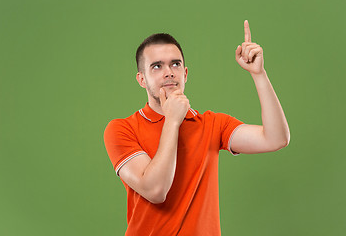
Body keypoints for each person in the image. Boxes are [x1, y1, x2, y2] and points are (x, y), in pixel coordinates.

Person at [104, 20, 290, 236]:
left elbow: (277, 138)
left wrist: (259, 74)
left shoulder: (213, 124)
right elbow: (155, 190)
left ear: (185, 74)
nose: (169, 72)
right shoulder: (121, 129)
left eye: (175, 64)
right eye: (157, 66)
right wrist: (172, 121)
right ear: (141, 79)